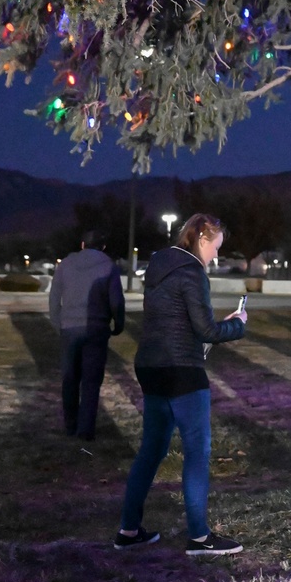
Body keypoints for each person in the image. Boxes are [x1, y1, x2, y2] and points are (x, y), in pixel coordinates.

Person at [114, 213, 246, 556]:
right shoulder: (191, 272)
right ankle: (200, 537)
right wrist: (238, 325)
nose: (216, 255)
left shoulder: (159, 267)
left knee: (151, 450)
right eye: (216, 247)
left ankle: (128, 530)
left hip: (150, 365)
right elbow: (207, 331)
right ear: (203, 238)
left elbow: (177, 321)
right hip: (183, 370)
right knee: (196, 453)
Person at [48, 229, 125, 441]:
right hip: (96, 329)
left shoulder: (65, 264)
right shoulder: (109, 266)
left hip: (69, 328)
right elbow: (116, 301)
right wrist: (118, 324)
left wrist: (59, 324)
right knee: (91, 380)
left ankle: (70, 425)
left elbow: (54, 298)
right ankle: (85, 429)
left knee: (70, 378)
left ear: (82, 244)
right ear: (103, 247)